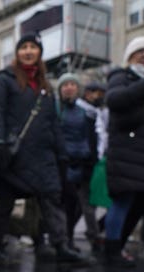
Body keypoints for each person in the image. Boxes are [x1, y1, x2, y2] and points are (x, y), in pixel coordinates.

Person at [0, 33, 88, 266]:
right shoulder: (5, 80)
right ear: (17, 52)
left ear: (39, 53)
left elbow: (53, 123)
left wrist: (62, 153)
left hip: (43, 154)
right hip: (15, 153)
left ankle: (59, 245)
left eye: (33, 47)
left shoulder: (45, 86)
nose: (28, 51)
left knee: (51, 198)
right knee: (5, 201)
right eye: (24, 47)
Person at [103, 36, 144, 266]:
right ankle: (112, 251)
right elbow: (115, 100)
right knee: (123, 202)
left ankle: (115, 248)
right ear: (129, 56)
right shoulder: (123, 77)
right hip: (128, 155)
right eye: (139, 51)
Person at [56, 72, 100, 252]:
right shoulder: (56, 110)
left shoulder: (86, 112)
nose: (69, 87)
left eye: (72, 84)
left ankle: (69, 237)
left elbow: (91, 137)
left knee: (79, 205)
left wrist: (91, 158)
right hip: (62, 164)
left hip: (82, 164)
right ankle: (63, 239)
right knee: (66, 203)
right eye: (65, 85)